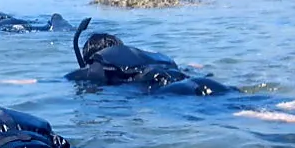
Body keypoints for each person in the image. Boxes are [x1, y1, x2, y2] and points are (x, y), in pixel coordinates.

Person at [66, 20, 231, 96]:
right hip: (184, 78)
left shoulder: (99, 69)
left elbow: (69, 78)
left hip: (163, 90)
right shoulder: (139, 59)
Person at [0, 4, 71, 32]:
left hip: (1, 25)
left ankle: (50, 26)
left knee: (34, 28)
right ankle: (50, 25)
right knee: (33, 26)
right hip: (6, 22)